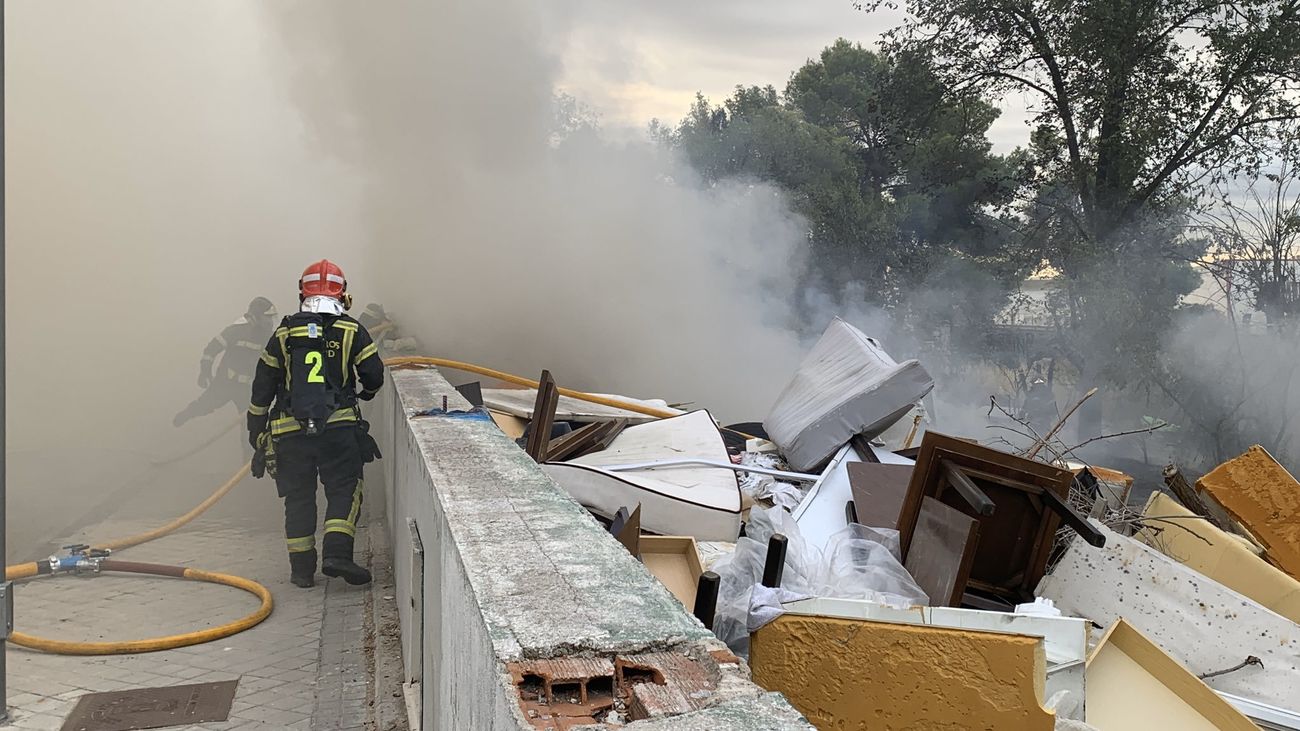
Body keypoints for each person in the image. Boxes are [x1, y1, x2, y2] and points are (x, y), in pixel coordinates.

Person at [246, 260, 384, 588]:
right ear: (343, 293)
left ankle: (302, 571)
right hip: (338, 431)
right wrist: (366, 392)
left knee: (298, 498)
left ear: (301, 292)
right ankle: (337, 555)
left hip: (288, 434)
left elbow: (262, 385)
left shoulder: (284, 333)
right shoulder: (351, 330)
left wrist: (256, 428)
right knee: (344, 488)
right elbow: (373, 374)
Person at [174, 297, 278, 427]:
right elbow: (211, 350)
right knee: (204, 405)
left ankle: (249, 446)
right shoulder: (236, 330)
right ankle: (184, 418)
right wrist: (205, 371)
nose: (270, 322)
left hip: (247, 389)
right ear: (256, 316)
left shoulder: (269, 337)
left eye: (271, 318)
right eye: (266, 317)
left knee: (251, 425)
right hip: (225, 383)